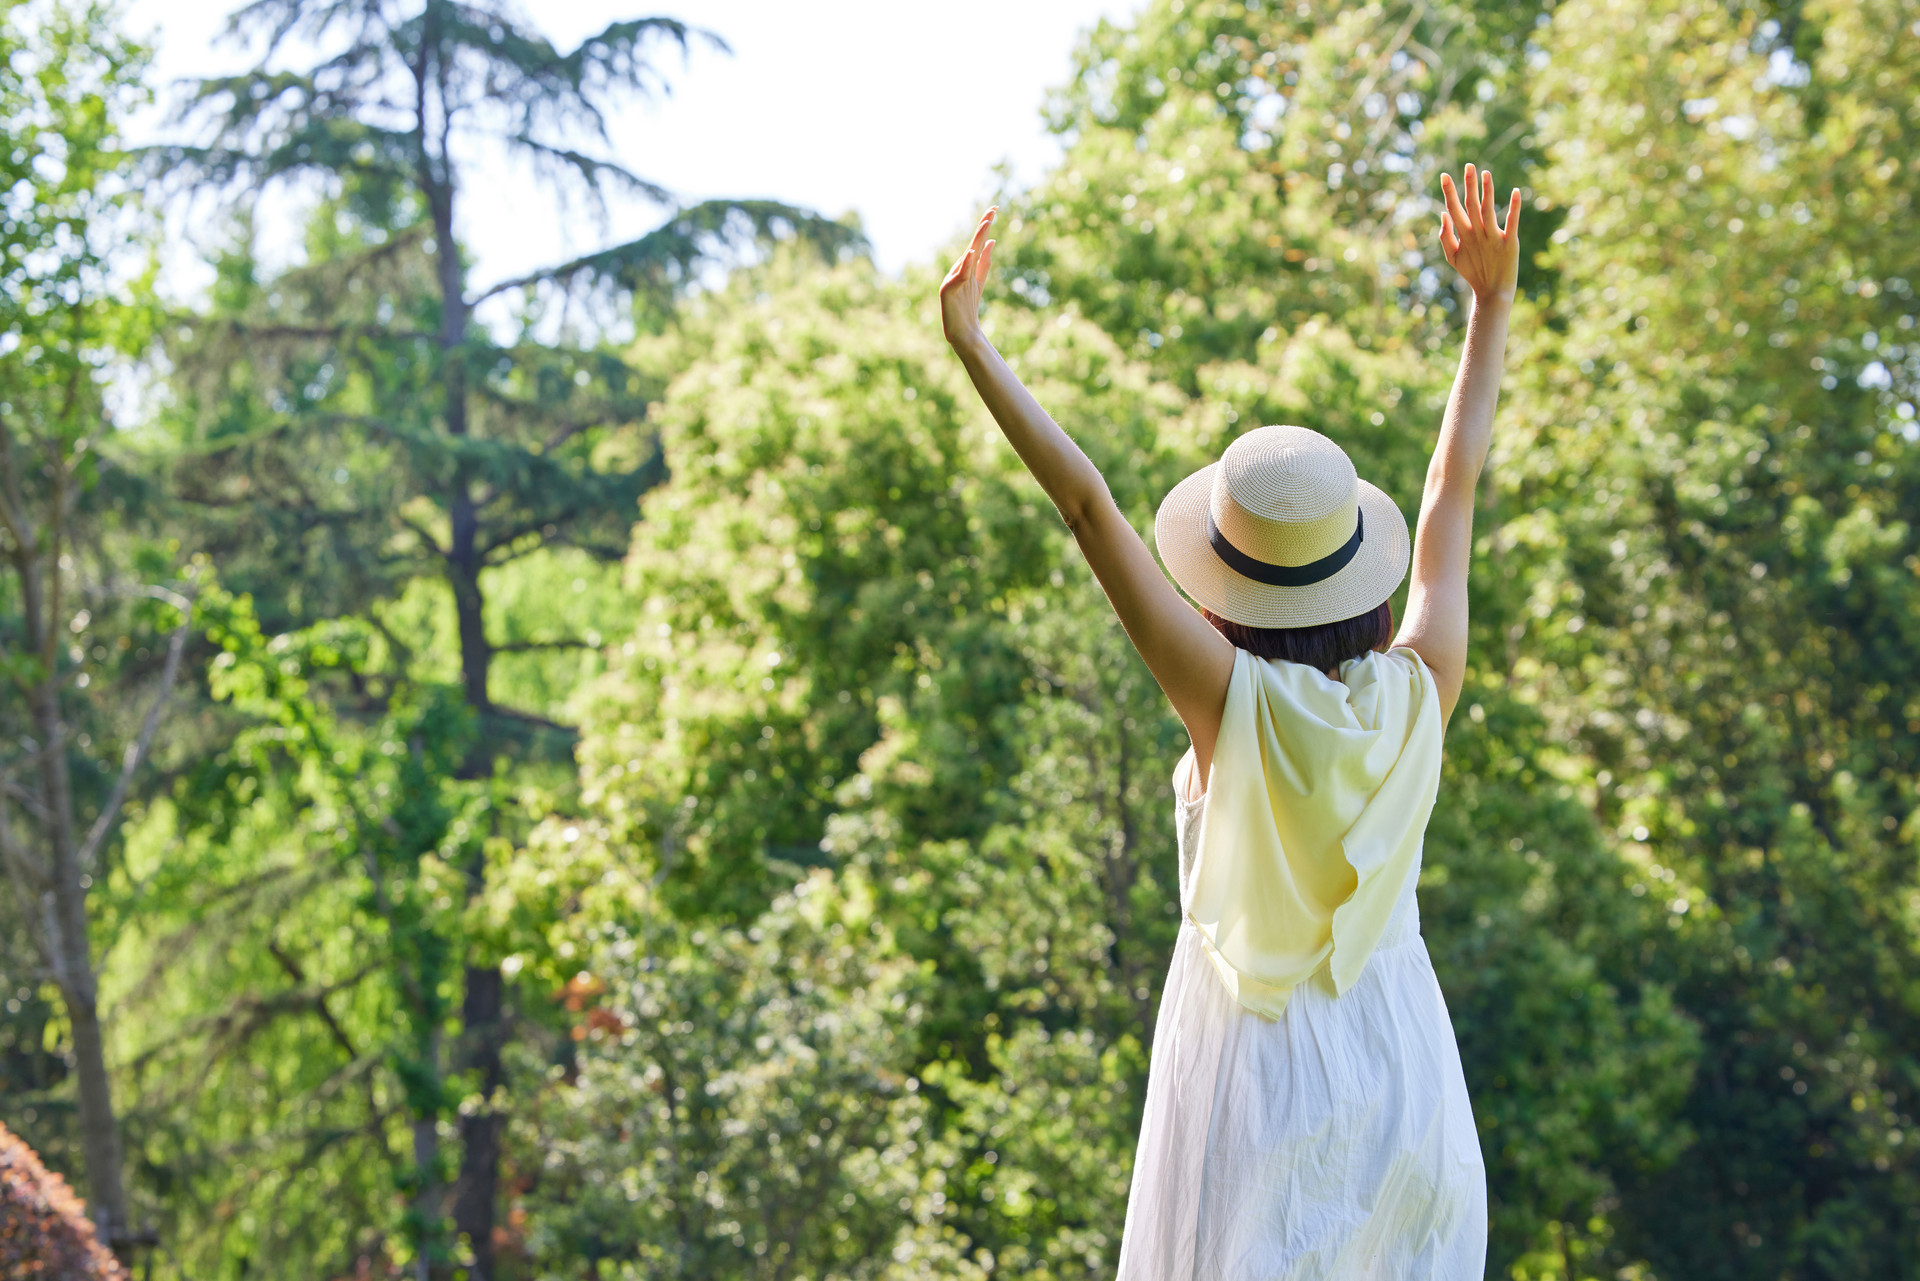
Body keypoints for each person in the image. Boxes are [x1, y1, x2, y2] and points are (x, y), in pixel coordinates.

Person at [938, 163, 1521, 1277]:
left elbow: (1085, 504)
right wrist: (1489, 306)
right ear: (1363, 576)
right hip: (1406, 1072)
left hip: (1262, 1080)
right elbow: (1454, 487)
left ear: (1226, 588)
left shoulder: (1225, 703)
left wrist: (975, 345)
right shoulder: (1422, 688)